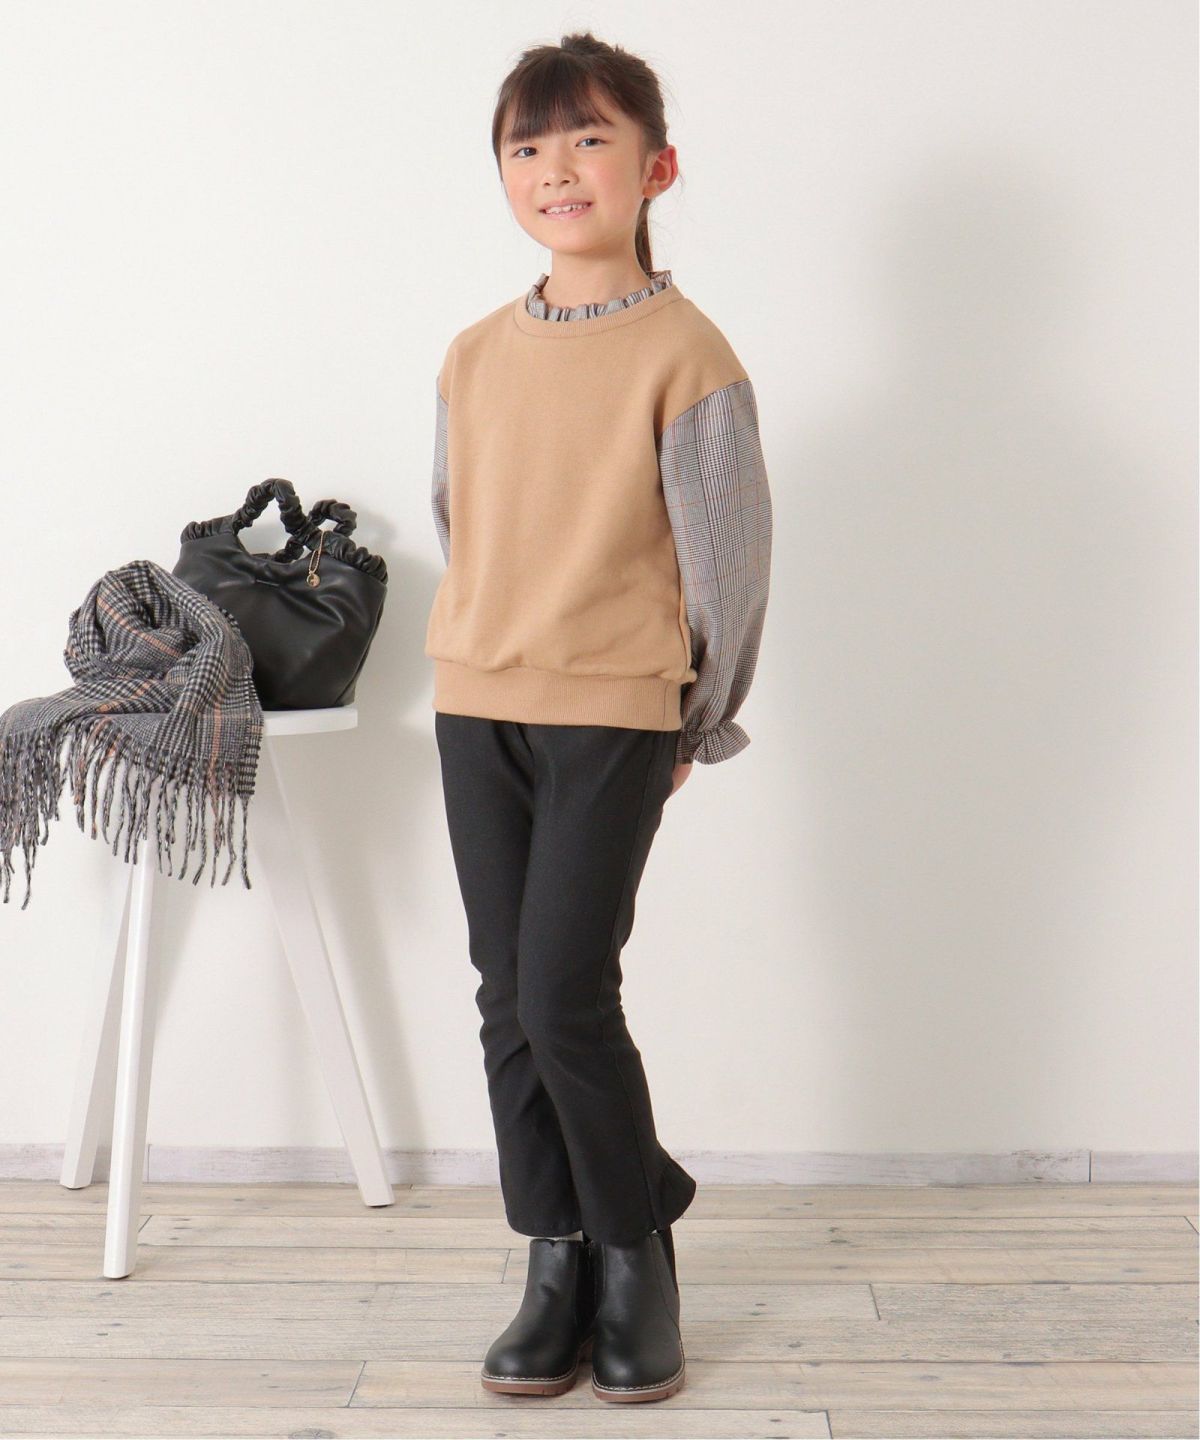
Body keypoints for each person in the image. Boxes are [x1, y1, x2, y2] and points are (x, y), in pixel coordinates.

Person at [425, 30, 772, 1405]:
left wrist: (694, 719)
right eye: (528, 144)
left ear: (655, 168)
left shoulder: (689, 356)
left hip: (615, 713)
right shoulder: (471, 355)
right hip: (476, 702)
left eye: (588, 138)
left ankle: (636, 1249)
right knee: (507, 994)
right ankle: (555, 1250)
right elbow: (462, 522)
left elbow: (728, 561)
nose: (556, 167)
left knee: (567, 987)